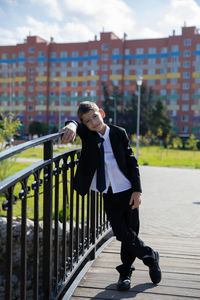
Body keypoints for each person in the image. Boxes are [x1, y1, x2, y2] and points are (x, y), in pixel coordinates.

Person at [61, 101, 161, 291]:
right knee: (121, 232)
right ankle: (151, 255)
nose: (93, 123)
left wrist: (137, 191)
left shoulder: (119, 133)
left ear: (102, 113)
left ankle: (125, 274)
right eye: (88, 121)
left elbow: (132, 163)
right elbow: (74, 122)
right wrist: (72, 125)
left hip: (127, 190)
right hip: (108, 193)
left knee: (130, 232)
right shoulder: (88, 135)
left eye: (95, 117)